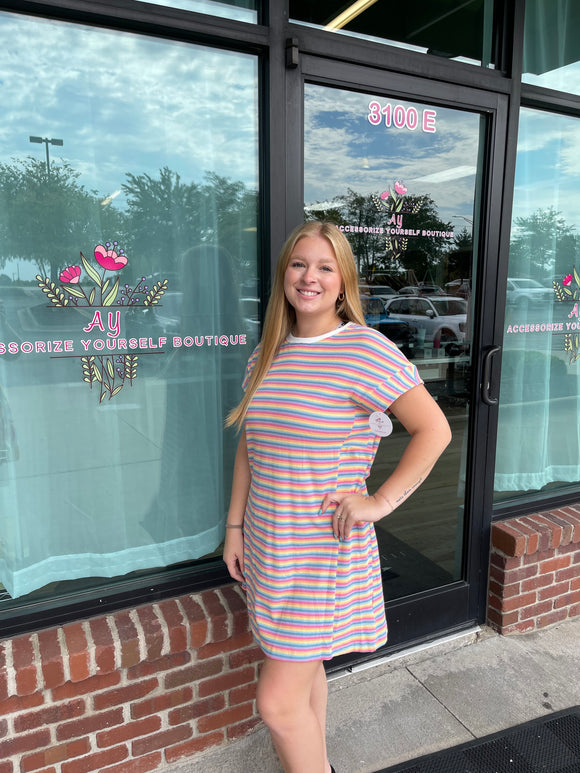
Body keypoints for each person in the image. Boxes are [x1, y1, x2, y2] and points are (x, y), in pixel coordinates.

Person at [223, 221, 451, 773]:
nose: (310, 277)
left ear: (344, 281)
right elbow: (251, 449)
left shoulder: (365, 351)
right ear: (284, 275)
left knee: (276, 703)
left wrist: (380, 502)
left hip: (322, 550)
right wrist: (233, 530)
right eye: (300, 264)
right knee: (305, 672)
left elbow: (435, 430)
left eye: (326, 267)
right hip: (268, 544)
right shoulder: (267, 354)